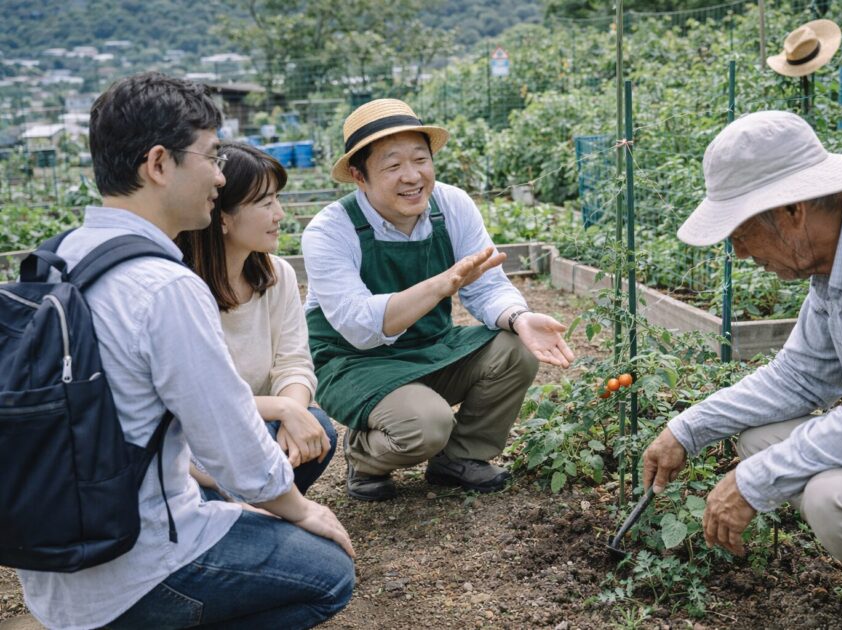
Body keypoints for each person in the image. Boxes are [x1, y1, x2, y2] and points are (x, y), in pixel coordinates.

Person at [16, 72, 354, 629]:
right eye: (212, 156)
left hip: (60, 562)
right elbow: (235, 449)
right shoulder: (165, 287)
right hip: (139, 566)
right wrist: (303, 509)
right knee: (329, 573)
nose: (220, 176)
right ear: (158, 164)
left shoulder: (62, 259)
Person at [642, 110, 842, 628]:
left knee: (836, 498)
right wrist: (687, 429)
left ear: (793, 211)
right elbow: (798, 376)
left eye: (740, 231)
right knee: (764, 441)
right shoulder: (837, 269)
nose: (737, 252)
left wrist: (752, 483)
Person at [302, 98, 575, 501]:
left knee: (516, 348)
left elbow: (487, 286)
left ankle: (460, 458)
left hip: (431, 348)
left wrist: (520, 317)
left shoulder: (451, 206)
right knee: (426, 425)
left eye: (420, 159)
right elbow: (359, 327)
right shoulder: (330, 230)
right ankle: (364, 455)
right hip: (355, 363)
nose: (412, 176)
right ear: (360, 177)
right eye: (392, 166)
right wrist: (441, 284)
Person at [176, 141, 336, 497]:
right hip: (191, 449)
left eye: (277, 199)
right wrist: (281, 409)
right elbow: (195, 402)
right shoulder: (181, 290)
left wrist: (292, 413)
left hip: (255, 428)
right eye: (265, 203)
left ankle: (259, 507)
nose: (279, 214)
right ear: (222, 218)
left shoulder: (278, 275)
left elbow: (294, 363)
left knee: (317, 428)